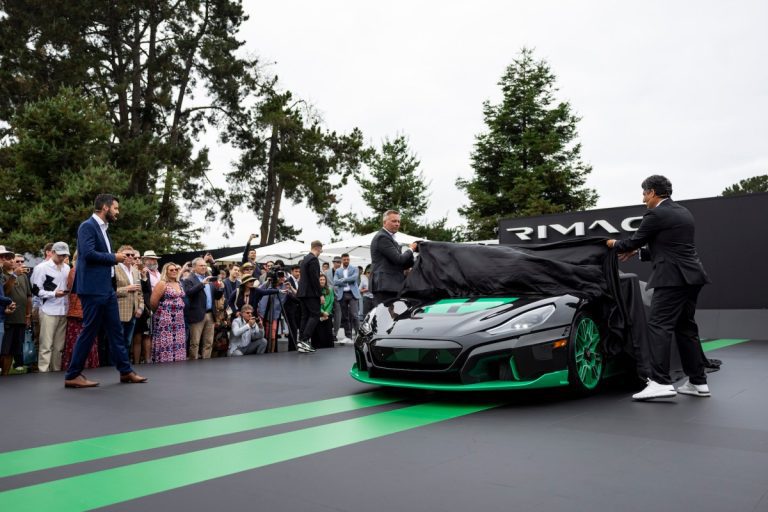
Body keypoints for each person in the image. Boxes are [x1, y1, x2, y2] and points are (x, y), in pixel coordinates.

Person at [607, 175, 711, 400]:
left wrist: (612, 244)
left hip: (672, 279)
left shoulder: (656, 213)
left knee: (658, 326)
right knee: (686, 329)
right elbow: (667, 247)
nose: (643, 198)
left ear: (653, 192)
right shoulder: (683, 212)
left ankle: (660, 382)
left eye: (644, 193)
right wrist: (639, 252)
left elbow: (630, 242)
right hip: (693, 277)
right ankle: (698, 382)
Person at [64, 194, 147, 388]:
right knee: (90, 331)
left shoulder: (104, 230)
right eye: (116, 208)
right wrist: (115, 257)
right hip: (93, 289)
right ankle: (72, 374)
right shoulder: (87, 226)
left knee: (116, 331)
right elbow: (88, 254)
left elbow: (102, 256)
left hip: (106, 288)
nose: (118, 212)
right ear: (105, 207)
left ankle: (125, 372)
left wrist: (117, 257)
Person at [31, 241, 71, 372]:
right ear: (52, 252)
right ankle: (43, 371)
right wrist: (54, 294)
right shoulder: (41, 268)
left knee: (59, 346)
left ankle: (56, 371)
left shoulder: (67, 268)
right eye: (60, 255)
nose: (62, 258)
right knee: (46, 345)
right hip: (48, 310)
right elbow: (36, 290)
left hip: (63, 310)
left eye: (64, 255)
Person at [370, 210, 419, 305]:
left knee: (391, 317)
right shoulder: (382, 237)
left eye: (398, 221)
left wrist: (417, 257)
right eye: (394, 221)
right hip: (385, 286)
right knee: (384, 317)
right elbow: (399, 259)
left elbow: (403, 264)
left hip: (390, 285)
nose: (397, 224)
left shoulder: (390, 239)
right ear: (384, 222)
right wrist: (411, 249)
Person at [62, 251, 99, 371]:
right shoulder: (74, 271)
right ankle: (76, 367)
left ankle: (89, 366)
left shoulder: (89, 272)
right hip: (78, 312)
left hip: (89, 311)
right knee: (77, 341)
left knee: (88, 341)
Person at [181, 256, 223, 359]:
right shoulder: (189, 279)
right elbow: (189, 293)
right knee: (195, 343)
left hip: (210, 314)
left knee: (208, 343)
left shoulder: (209, 278)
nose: (204, 267)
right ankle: (193, 366)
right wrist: (202, 284)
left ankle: (206, 364)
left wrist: (221, 288)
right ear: (194, 267)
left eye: (205, 265)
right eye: (201, 266)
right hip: (196, 315)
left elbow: (216, 296)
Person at [149, 263, 187, 363]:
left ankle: (178, 360)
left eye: (176, 269)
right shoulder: (162, 283)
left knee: (178, 341)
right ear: (166, 271)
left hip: (179, 319)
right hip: (165, 319)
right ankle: (164, 361)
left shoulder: (179, 283)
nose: (174, 271)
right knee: (166, 341)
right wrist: (161, 312)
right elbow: (153, 302)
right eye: (171, 270)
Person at [2, 253, 32, 375]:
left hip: (20, 317)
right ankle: (3, 373)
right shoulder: (3, 275)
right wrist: (14, 275)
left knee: (14, 349)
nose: (14, 262)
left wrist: (28, 315)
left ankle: (6, 374)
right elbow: (5, 291)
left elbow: (29, 297)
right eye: (11, 259)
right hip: (7, 317)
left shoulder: (23, 276)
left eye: (14, 259)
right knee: (5, 349)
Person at [115, 246, 144, 357]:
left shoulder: (135, 271)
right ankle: (113, 367)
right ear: (119, 254)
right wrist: (127, 288)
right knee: (117, 342)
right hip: (118, 311)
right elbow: (109, 291)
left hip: (134, 312)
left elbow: (139, 292)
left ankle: (125, 367)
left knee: (127, 342)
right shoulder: (114, 269)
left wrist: (140, 308)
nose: (131, 257)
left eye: (132, 255)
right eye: (127, 255)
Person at [297, 240, 323, 353]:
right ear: (318, 248)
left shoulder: (305, 259)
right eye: (321, 249)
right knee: (315, 315)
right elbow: (314, 279)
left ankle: (301, 342)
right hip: (310, 293)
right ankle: (304, 340)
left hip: (302, 293)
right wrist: (320, 294)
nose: (321, 251)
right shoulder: (313, 259)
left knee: (305, 316)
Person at [333, 253, 360, 344]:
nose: (346, 261)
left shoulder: (354, 268)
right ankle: (348, 336)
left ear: (349, 260)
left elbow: (354, 278)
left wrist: (343, 280)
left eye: (347, 259)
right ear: (341, 260)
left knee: (354, 315)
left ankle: (358, 335)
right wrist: (345, 281)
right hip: (342, 294)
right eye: (344, 259)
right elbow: (335, 282)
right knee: (345, 317)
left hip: (353, 294)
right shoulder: (338, 271)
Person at [312, 274, 335, 349]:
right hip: (319, 313)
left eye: (323, 280)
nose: (322, 281)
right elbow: (315, 304)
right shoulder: (315, 290)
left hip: (328, 313)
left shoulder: (330, 290)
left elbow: (331, 302)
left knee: (328, 331)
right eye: (320, 280)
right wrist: (322, 312)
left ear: (326, 281)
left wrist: (327, 312)